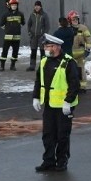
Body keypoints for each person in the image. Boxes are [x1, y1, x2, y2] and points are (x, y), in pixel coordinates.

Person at [32, 33, 80, 172]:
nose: (46, 49)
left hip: (63, 107)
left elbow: (74, 85)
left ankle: (62, 161)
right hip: (49, 105)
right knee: (48, 134)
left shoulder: (68, 62)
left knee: (62, 135)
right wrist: (35, 97)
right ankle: (48, 161)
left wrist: (68, 102)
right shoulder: (44, 62)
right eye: (45, 46)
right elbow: (38, 81)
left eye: (49, 46)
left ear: (57, 47)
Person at [68, 10, 91, 93]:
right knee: (70, 72)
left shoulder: (83, 28)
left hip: (81, 54)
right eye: (73, 19)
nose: (75, 20)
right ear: (69, 20)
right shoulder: (67, 29)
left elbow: (88, 39)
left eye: (76, 18)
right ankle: (72, 87)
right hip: (70, 54)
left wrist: (88, 50)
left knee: (81, 70)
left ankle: (82, 87)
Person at [0, 0, 25, 71]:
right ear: (10, 6)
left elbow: (23, 23)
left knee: (15, 52)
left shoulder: (20, 14)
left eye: (15, 5)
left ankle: (12, 65)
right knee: (4, 51)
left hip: (17, 37)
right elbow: (1, 24)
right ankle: (2, 66)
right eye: (13, 5)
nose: (14, 6)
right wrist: (8, 29)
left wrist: (16, 28)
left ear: (17, 6)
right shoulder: (5, 15)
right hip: (8, 36)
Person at [26, 0, 50, 71]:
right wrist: (29, 32)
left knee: (42, 51)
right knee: (33, 51)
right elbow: (29, 24)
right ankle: (32, 66)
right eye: (35, 6)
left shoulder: (44, 15)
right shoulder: (32, 14)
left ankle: (43, 66)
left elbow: (47, 26)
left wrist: (44, 34)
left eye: (38, 6)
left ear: (40, 7)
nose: (36, 7)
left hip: (41, 36)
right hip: (33, 36)